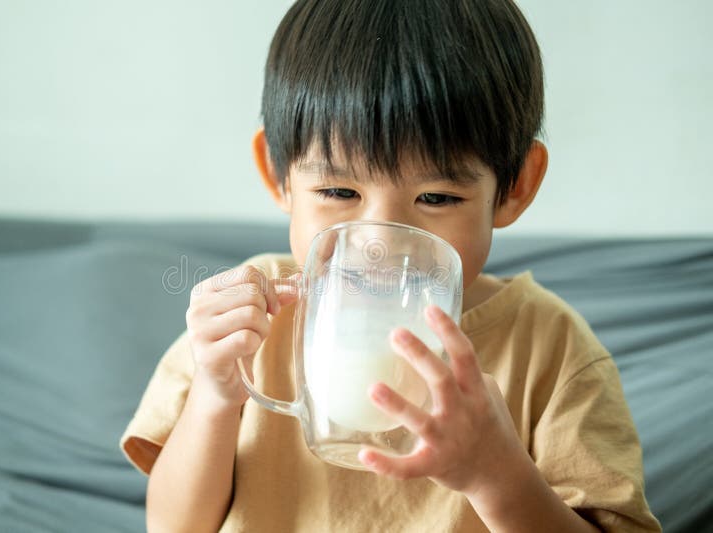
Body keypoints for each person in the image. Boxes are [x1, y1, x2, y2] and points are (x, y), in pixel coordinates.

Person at [120, 1, 662, 531]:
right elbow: (173, 526)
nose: (378, 242)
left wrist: (498, 477)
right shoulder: (251, 316)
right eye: (337, 190)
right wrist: (215, 397)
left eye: (437, 198)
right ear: (279, 175)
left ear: (515, 186)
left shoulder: (551, 349)